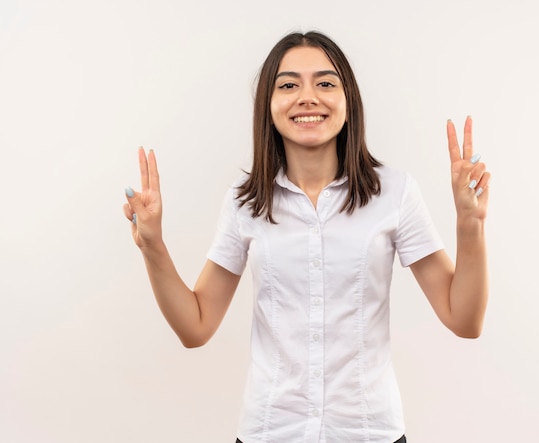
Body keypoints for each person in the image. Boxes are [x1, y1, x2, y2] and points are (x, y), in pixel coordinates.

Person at [123, 30, 490, 443]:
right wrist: (153, 246)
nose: (308, 97)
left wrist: (469, 224)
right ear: (269, 106)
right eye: (289, 85)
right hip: (270, 431)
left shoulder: (395, 193)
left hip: (369, 432)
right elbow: (196, 327)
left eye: (326, 83)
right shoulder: (245, 202)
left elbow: (465, 320)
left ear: (348, 101)